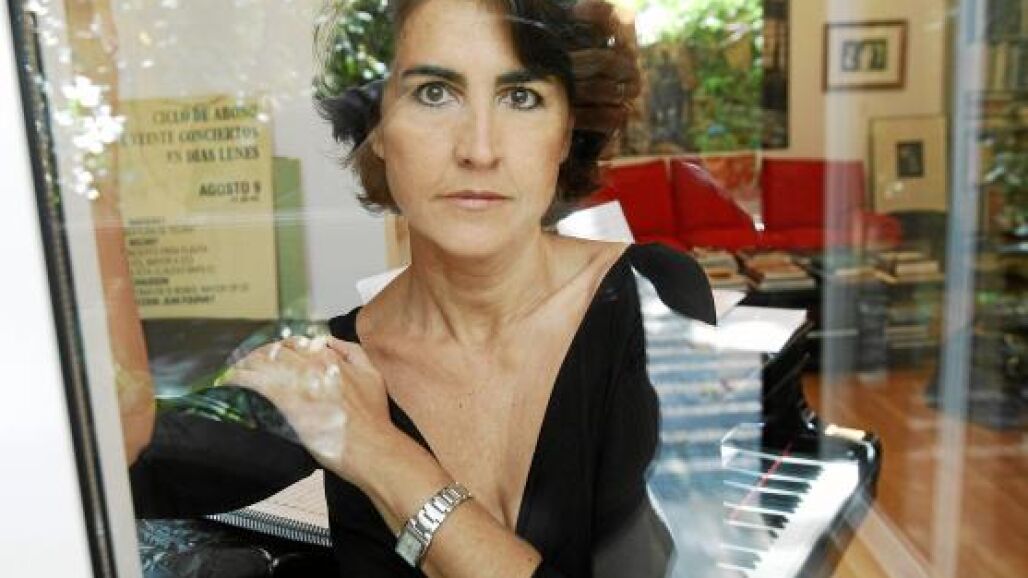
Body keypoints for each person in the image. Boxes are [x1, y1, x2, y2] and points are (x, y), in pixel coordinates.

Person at [122, 1, 715, 576]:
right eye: (434, 92)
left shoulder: (651, 297)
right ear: (376, 127)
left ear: (566, 132)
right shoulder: (336, 372)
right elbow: (115, 461)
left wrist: (377, 452)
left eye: (521, 97)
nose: (478, 149)